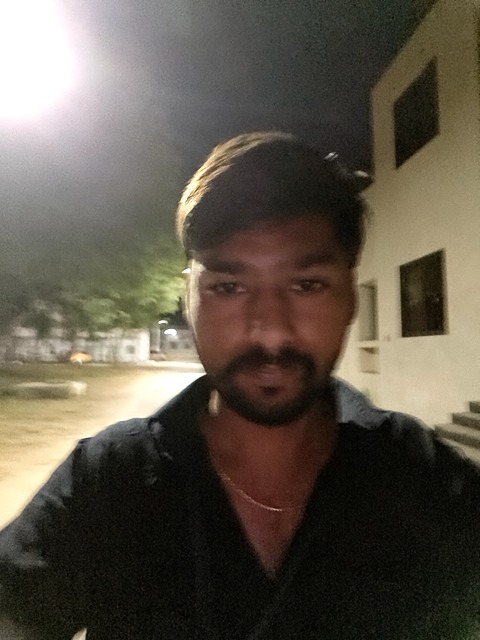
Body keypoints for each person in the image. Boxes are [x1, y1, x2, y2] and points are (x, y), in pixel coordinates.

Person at [1, 131, 479, 640]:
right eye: (229, 287)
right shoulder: (109, 480)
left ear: (351, 296)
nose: (270, 331)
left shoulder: (422, 478)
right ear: (189, 298)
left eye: (307, 285)